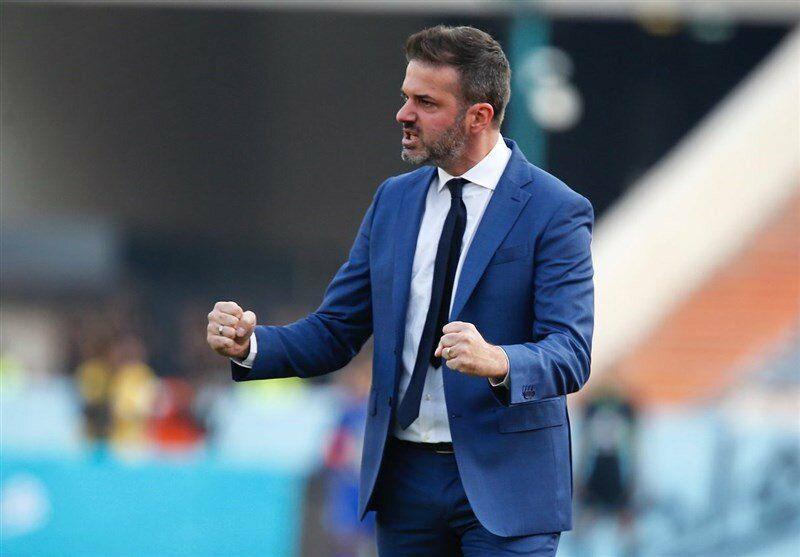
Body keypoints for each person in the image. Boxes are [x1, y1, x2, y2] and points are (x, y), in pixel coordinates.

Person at [206, 25, 594, 557]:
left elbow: (570, 352)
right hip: (405, 483)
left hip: (509, 485)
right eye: (406, 96)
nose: (403, 114)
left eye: (425, 102)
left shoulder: (555, 209)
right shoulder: (393, 201)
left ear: (479, 116)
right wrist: (251, 345)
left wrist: (499, 360)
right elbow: (336, 330)